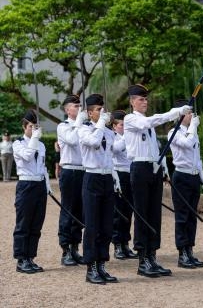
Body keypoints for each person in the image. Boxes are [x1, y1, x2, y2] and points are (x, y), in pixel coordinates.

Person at [123, 84, 190, 278]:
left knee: (154, 214)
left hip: (152, 168)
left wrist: (160, 168)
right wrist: (175, 112)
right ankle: (143, 259)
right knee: (143, 213)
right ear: (132, 101)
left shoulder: (148, 124)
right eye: (140, 99)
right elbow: (149, 123)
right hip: (139, 169)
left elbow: (153, 146)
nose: (144, 102)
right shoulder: (131, 119)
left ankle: (152, 256)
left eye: (145, 99)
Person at [78, 93, 121, 285]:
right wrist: (101, 125)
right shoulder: (83, 130)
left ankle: (102, 264)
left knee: (106, 225)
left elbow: (112, 154)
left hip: (106, 178)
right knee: (92, 225)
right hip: (92, 177)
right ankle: (91, 267)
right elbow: (94, 143)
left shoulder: (108, 132)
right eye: (98, 110)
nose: (102, 112)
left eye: (103, 109)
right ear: (89, 113)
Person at [167, 99, 203, 269]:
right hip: (181, 177)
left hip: (192, 178)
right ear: (181, 115)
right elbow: (186, 143)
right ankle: (182, 253)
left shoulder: (193, 132)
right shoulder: (173, 132)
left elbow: (197, 159)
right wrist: (193, 126)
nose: (192, 115)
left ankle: (189, 250)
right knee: (182, 216)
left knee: (192, 216)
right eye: (189, 113)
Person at [12, 109, 51, 274]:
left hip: (39, 185)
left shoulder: (41, 145)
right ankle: (21, 259)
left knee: (36, 224)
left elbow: (43, 167)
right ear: (24, 127)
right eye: (31, 127)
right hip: (26, 185)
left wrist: (47, 185)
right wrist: (34, 138)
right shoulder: (18, 143)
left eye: (36, 127)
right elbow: (27, 156)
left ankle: (30, 257)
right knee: (24, 223)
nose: (34, 130)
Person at [57, 94, 87, 266]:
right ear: (67, 109)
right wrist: (79, 123)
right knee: (68, 210)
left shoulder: (82, 125)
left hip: (83, 170)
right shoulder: (64, 126)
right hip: (69, 171)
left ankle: (75, 247)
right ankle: (66, 249)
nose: (78, 108)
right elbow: (72, 140)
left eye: (79, 105)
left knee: (80, 211)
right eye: (75, 106)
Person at [111, 109, 138, 260]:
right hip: (119, 173)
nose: (123, 127)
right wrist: (126, 137)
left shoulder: (129, 137)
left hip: (130, 173)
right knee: (119, 212)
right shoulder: (113, 137)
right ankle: (117, 245)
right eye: (121, 125)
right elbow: (115, 150)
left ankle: (125, 243)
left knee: (129, 211)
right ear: (114, 126)